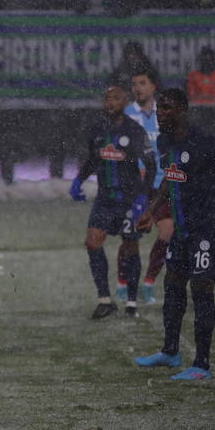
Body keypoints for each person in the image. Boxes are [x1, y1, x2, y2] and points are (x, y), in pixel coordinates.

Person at [134, 88, 215, 380]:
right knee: (172, 284)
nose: (161, 114)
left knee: (201, 289)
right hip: (184, 227)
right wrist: (152, 210)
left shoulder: (207, 144)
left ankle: (202, 365)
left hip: (212, 227)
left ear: (183, 109)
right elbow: (170, 180)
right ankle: (170, 352)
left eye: (167, 108)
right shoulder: (165, 142)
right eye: (159, 110)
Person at [69, 82, 156, 319]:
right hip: (105, 198)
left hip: (129, 199)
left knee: (129, 247)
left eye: (116, 99)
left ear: (125, 102)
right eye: (107, 99)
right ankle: (105, 300)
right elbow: (92, 159)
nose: (111, 103)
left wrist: (142, 198)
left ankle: (131, 301)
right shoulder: (98, 130)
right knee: (93, 242)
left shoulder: (135, 131)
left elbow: (150, 165)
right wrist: (79, 179)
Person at [121, 69, 167, 307]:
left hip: (163, 184)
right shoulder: (127, 114)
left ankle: (148, 282)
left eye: (142, 83)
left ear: (153, 87)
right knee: (131, 237)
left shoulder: (165, 113)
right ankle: (123, 284)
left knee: (168, 234)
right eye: (134, 84)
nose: (137, 88)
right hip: (137, 186)